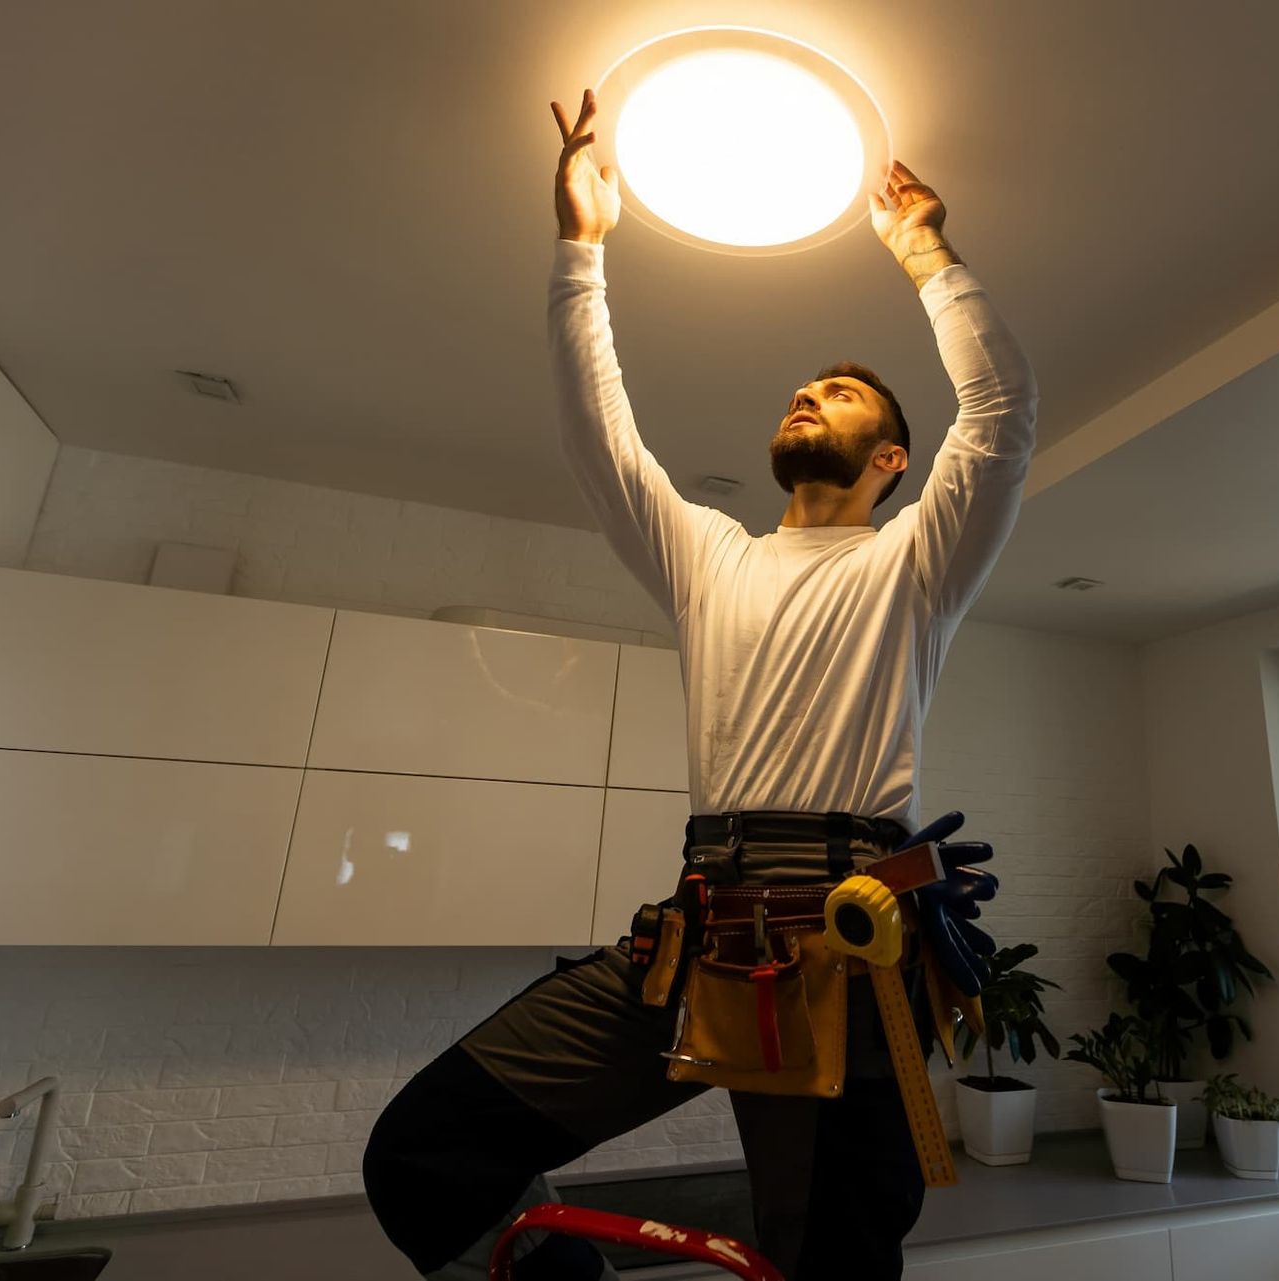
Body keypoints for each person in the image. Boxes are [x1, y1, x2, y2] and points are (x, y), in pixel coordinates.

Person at [362, 87, 1037, 1281]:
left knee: (835, 1254)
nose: (804, 396)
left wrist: (927, 252)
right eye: (799, 389)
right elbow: (599, 435)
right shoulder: (710, 555)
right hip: (693, 933)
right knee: (424, 1151)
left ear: (891, 460)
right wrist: (582, 248)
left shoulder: (913, 561)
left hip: (847, 943)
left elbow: (1002, 409)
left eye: (837, 396)